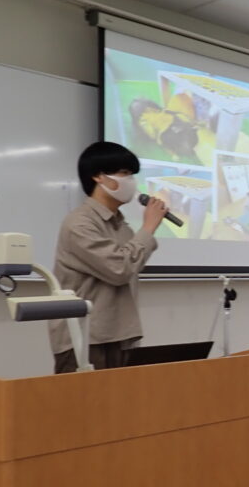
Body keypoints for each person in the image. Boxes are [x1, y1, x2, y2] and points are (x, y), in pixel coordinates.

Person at [49, 142, 168, 373]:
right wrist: (149, 227)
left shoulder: (121, 225)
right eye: (123, 173)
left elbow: (129, 267)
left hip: (120, 335)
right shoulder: (79, 223)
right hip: (85, 339)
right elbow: (119, 270)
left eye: (132, 174)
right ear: (98, 176)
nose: (130, 181)